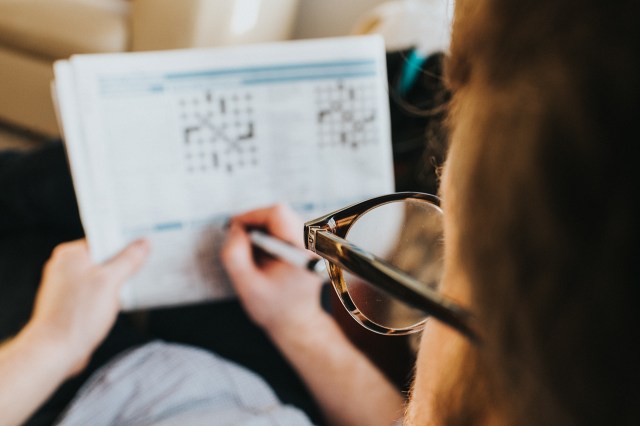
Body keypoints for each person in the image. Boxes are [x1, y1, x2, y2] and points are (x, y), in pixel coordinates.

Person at [2, 0, 640, 424]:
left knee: (38, 193)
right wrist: (295, 325)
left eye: (448, 270)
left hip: (73, 390)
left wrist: (50, 346)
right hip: (255, 380)